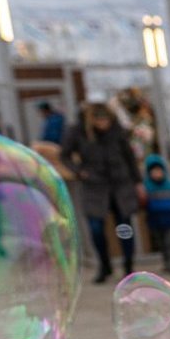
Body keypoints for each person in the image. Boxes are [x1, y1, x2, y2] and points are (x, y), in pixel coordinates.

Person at [60, 102, 141, 284]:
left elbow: (129, 156)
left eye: (106, 120)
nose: (104, 124)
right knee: (96, 228)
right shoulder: (77, 132)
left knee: (124, 228)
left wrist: (137, 182)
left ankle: (128, 266)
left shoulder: (117, 131)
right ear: (92, 120)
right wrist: (79, 171)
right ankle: (105, 265)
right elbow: (64, 155)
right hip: (94, 186)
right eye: (100, 120)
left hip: (120, 184)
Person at [142, 154, 170, 274]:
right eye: (154, 171)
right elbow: (144, 205)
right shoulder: (147, 187)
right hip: (155, 220)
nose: (157, 174)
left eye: (159, 171)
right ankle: (167, 262)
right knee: (161, 243)